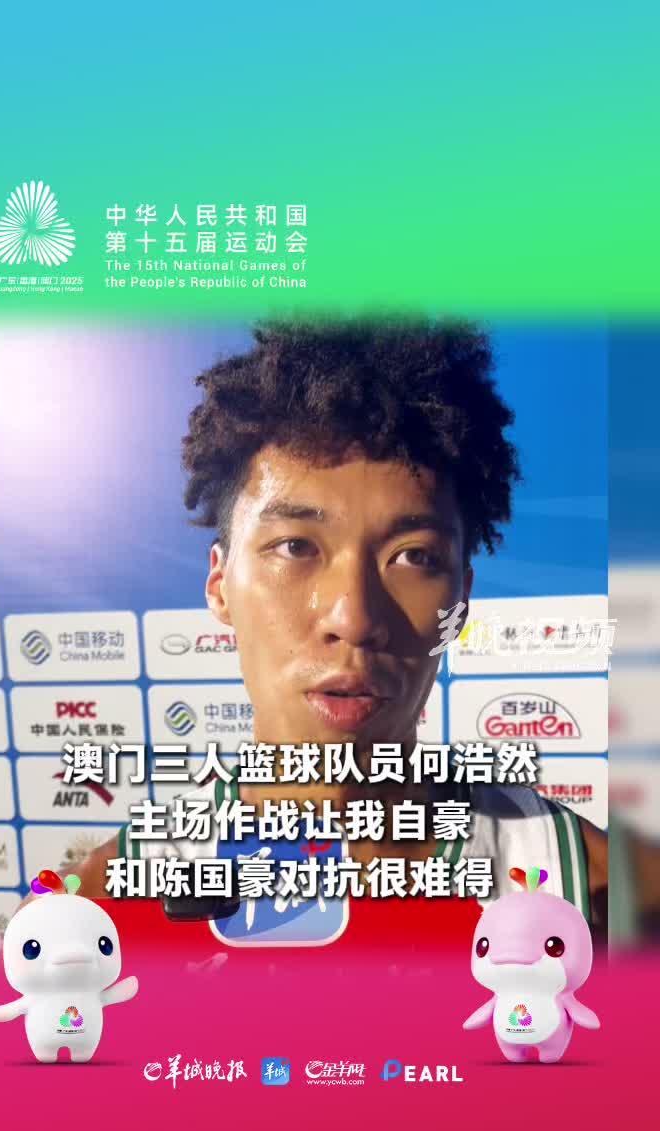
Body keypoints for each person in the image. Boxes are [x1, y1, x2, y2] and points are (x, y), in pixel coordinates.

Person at [67, 320, 608, 939]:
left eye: (413, 556)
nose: (353, 619)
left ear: (459, 601)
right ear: (220, 585)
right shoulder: (99, 912)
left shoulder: (592, 889)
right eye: (295, 546)